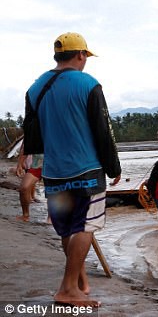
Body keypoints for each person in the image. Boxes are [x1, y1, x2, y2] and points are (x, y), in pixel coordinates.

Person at [23, 32, 121, 307]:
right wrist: (114, 167)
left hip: (53, 172)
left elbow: (32, 136)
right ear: (81, 55)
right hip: (86, 170)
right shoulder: (88, 84)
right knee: (86, 226)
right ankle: (67, 289)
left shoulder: (35, 88)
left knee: (68, 229)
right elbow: (104, 131)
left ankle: (78, 284)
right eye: (86, 57)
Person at [15, 144, 44, 222]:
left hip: (53, 167)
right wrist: (20, 164)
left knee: (52, 192)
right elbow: (26, 147)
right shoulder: (35, 133)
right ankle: (25, 215)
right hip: (37, 167)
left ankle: (50, 218)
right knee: (23, 188)